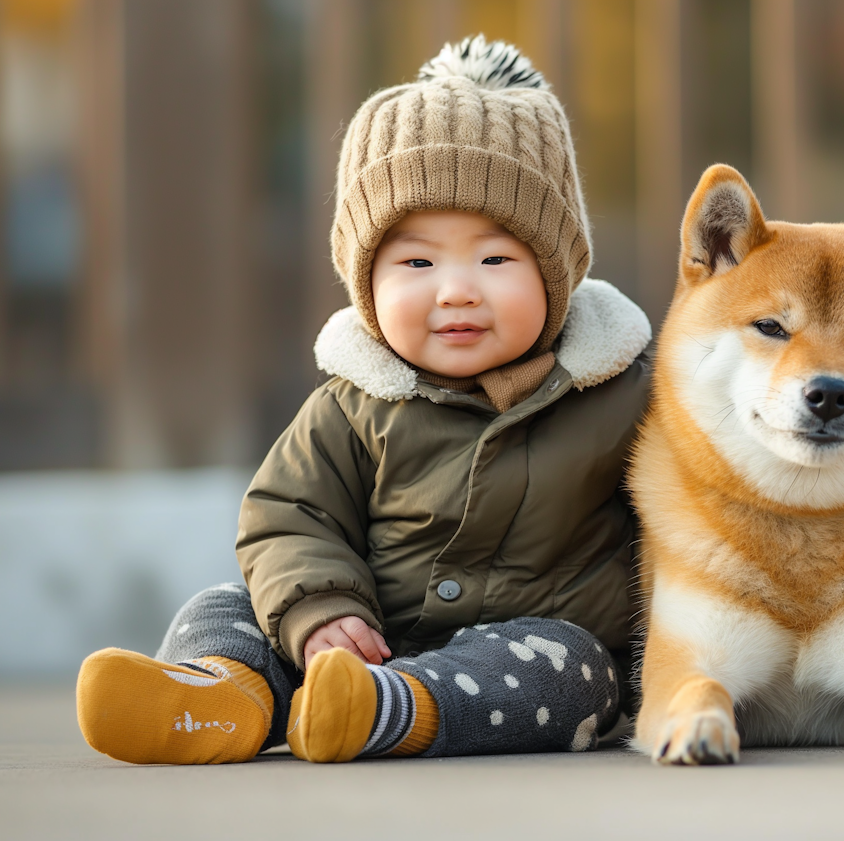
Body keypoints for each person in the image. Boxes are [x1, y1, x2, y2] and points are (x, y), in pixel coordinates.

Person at [74, 36, 652, 765]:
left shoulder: (620, 390)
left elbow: (700, 497)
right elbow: (289, 514)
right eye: (416, 261)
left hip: (522, 650)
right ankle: (217, 696)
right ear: (365, 281)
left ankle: (389, 711)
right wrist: (321, 613)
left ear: (559, 272)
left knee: (576, 671)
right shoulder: (354, 402)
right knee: (228, 604)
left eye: (496, 257)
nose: (456, 289)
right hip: (358, 631)